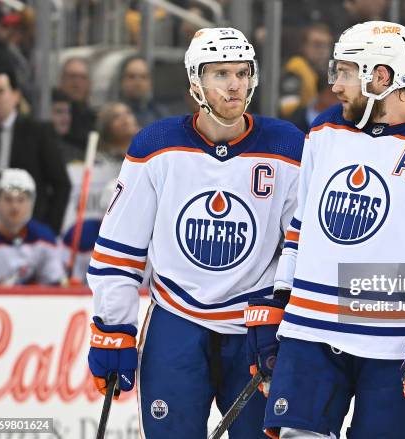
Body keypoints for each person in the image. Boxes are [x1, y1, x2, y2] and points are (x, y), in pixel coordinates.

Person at [253, 21, 405, 438]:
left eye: (346, 73)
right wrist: (279, 299)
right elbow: (300, 229)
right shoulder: (325, 129)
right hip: (311, 331)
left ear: (381, 76)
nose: (335, 85)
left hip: (396, 342)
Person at [86, 27, 304, 438]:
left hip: (255, 325)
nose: (235, 84)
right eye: (220, 74)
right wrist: (112, 327)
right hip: (177, 323)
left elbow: (303, 244)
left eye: (242, 72)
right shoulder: (157, 146)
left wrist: (282, 307)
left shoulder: (288, 146)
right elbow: (120, 247)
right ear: (195, 84)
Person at [0, 67, 70, 233]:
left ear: (16, 95)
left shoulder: (38, 133)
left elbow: (61, 184)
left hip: (28, 234)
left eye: (0, 91)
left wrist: (48, 231)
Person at [62, 102, 139, 282]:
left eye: (127, 112)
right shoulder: (94, 162)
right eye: (116, 116)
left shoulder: (149, 154)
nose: (124, 119)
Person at [0, 168, 65, 285]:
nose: (14, 207)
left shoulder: (44, 239)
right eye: (8, 199)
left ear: (31, 203)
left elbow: (55, 285)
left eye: (21, 200)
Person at [118, 56, 168, 127]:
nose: (138, 82)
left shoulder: (161, 115)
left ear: (150, 83)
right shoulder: (112, 116)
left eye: (143, 77)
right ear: (122, 81)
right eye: (131, 76)